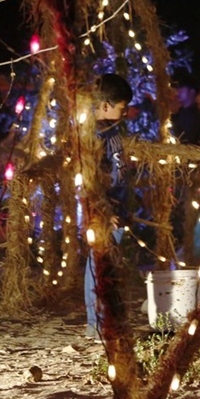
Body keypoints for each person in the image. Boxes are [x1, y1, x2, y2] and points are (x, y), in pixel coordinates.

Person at [84, 73, 133, 340]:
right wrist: (106, 210)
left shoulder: (110, 132)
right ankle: (97, 322)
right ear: (105, 106)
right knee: (98, 262)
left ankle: (107, 318)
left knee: (110, 262)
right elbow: (92, 178)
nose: (124, 114)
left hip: (116, 205)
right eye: (121, 108)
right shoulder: (93, 137)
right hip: (103, 209)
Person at [170, 70, 200, 145]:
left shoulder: (197, 116)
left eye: (182, 89)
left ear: (192, 92)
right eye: (178, 89)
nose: (178, 92)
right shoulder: (177, 115)